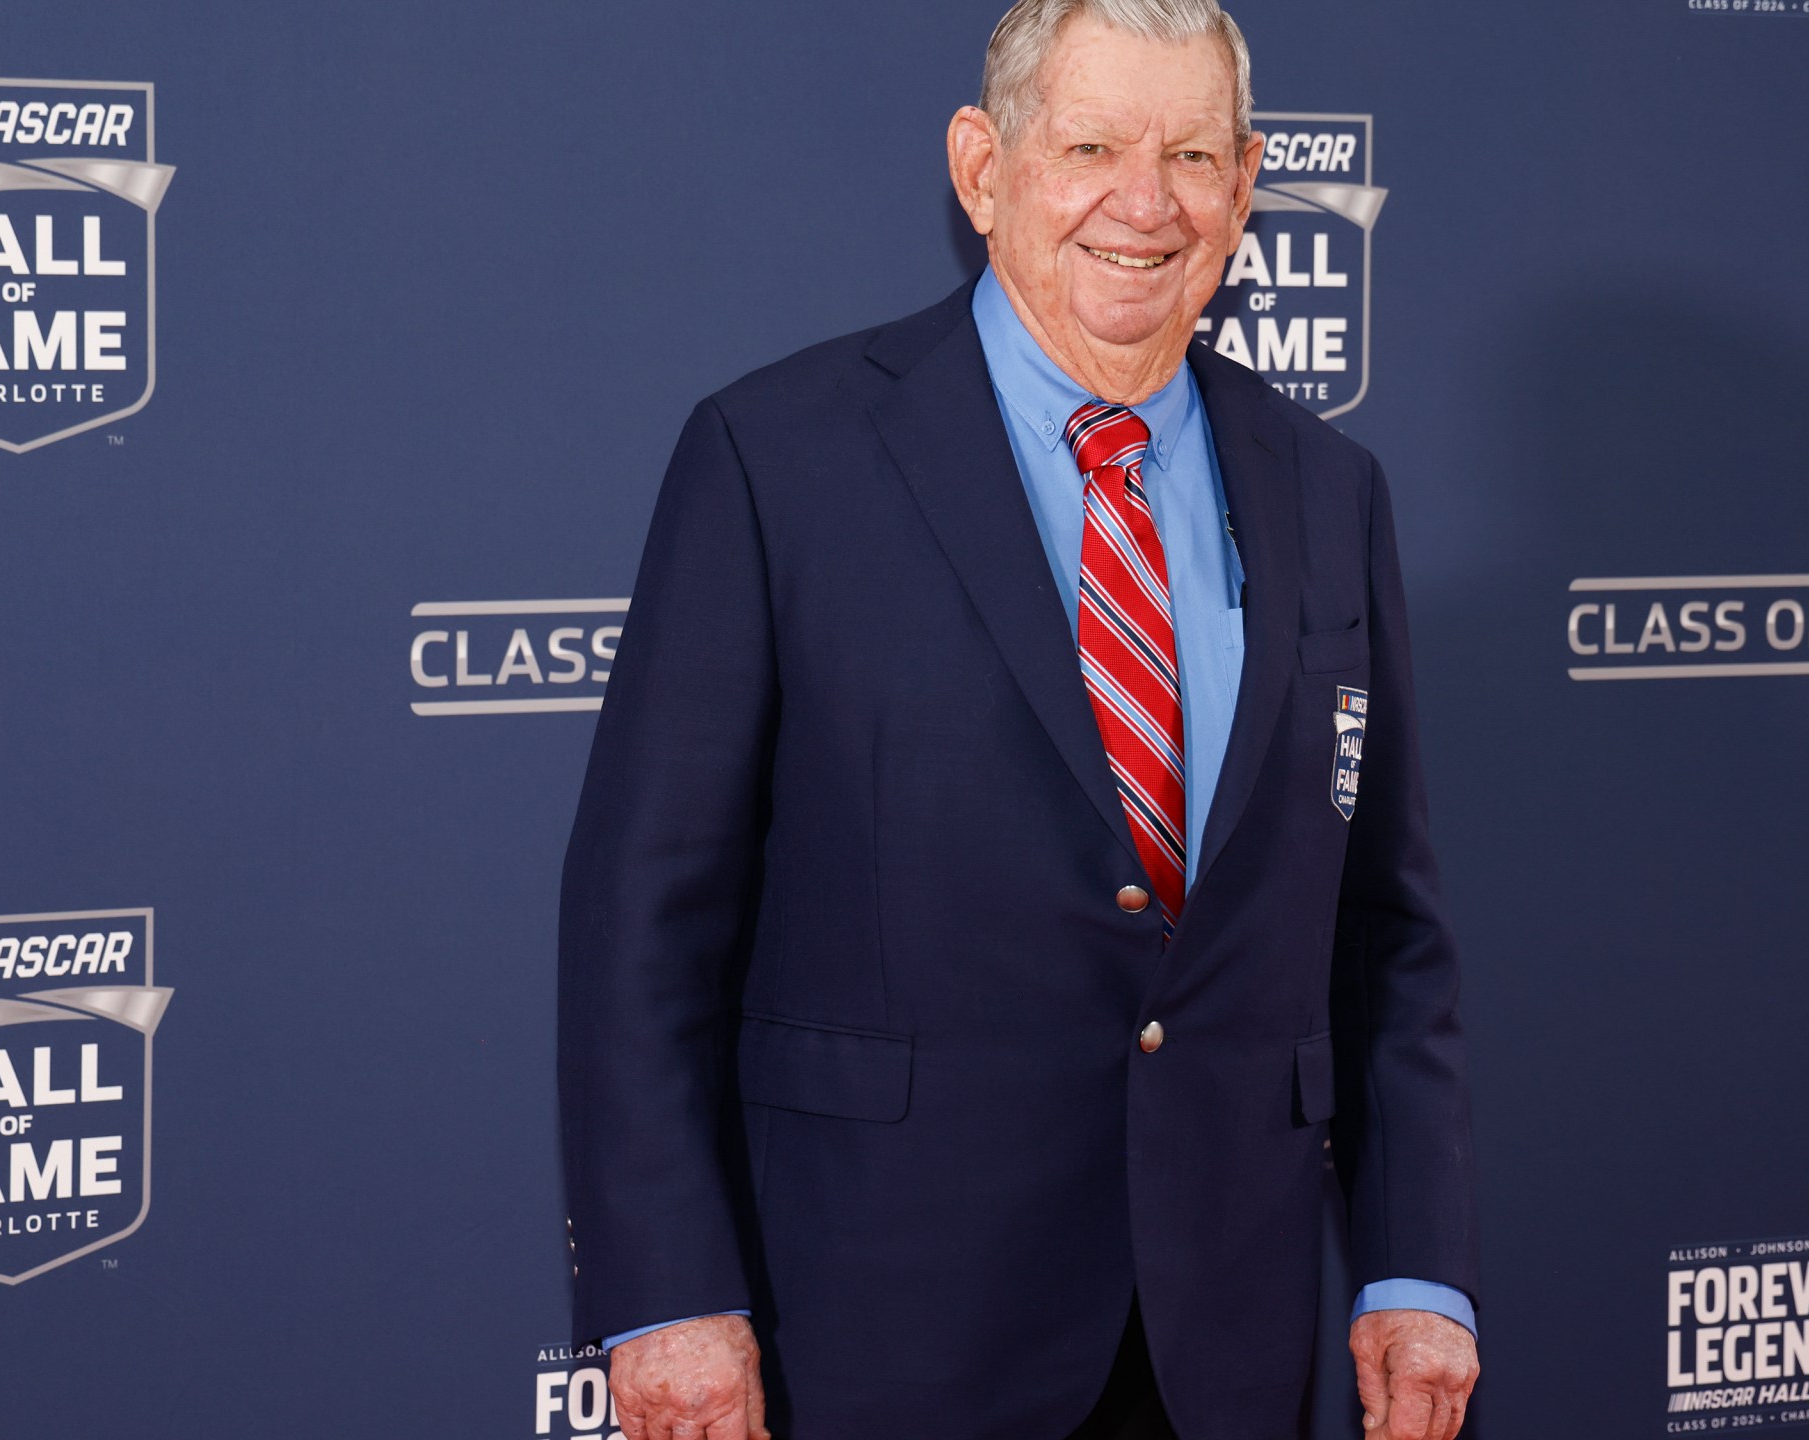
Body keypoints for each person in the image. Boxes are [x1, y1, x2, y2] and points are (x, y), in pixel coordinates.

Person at [558, 3, 1477, 1435]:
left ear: (1243, 191)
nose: (1144, 202)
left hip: (1223, 1344)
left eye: (1189, 156)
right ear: (983, 171)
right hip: (878, 1329)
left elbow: (1387, 935)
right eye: (1092, 146)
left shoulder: (1330, 491)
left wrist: (1415, 1268)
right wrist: (668, 1294)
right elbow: (643, 922)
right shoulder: (775, 460)